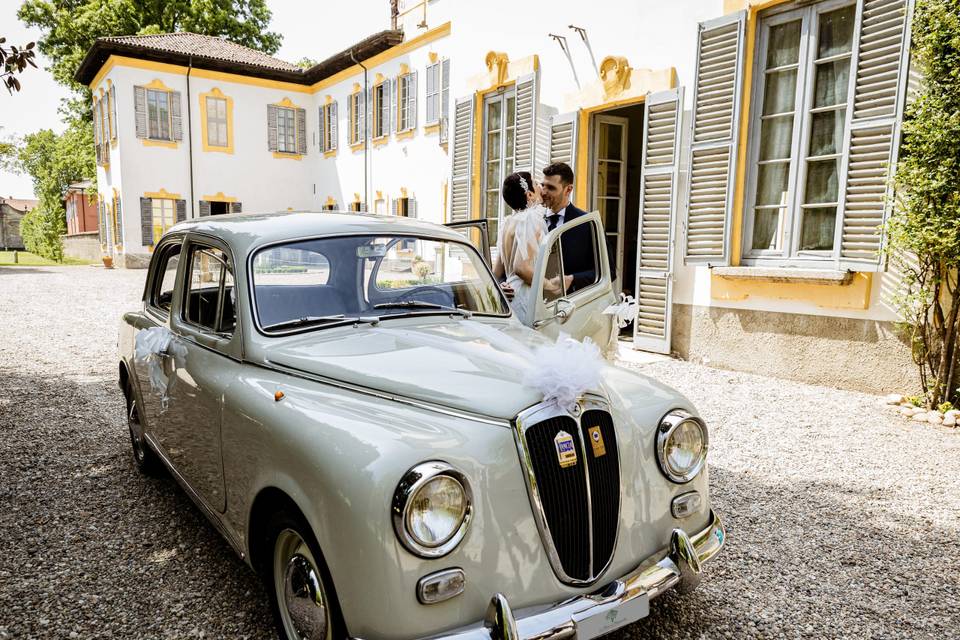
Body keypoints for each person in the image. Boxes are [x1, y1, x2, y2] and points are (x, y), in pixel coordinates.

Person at [493, 171, 551, 324]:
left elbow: (496, 272)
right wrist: (550, 285)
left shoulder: (508, 223)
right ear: (529, 195)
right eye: (537, 183)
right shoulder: (530, 218)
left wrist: (500, 287)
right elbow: (521, 268)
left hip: (509, 298)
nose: (541, 187)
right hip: (524, 296)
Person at [540, 162, 605, 293]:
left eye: (551, 188)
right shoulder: (531, 220)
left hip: (571, 305)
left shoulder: (587, 223)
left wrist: (573, 279)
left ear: (568, 189)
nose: (544, 192)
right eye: (543, 185)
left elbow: (608, 271)